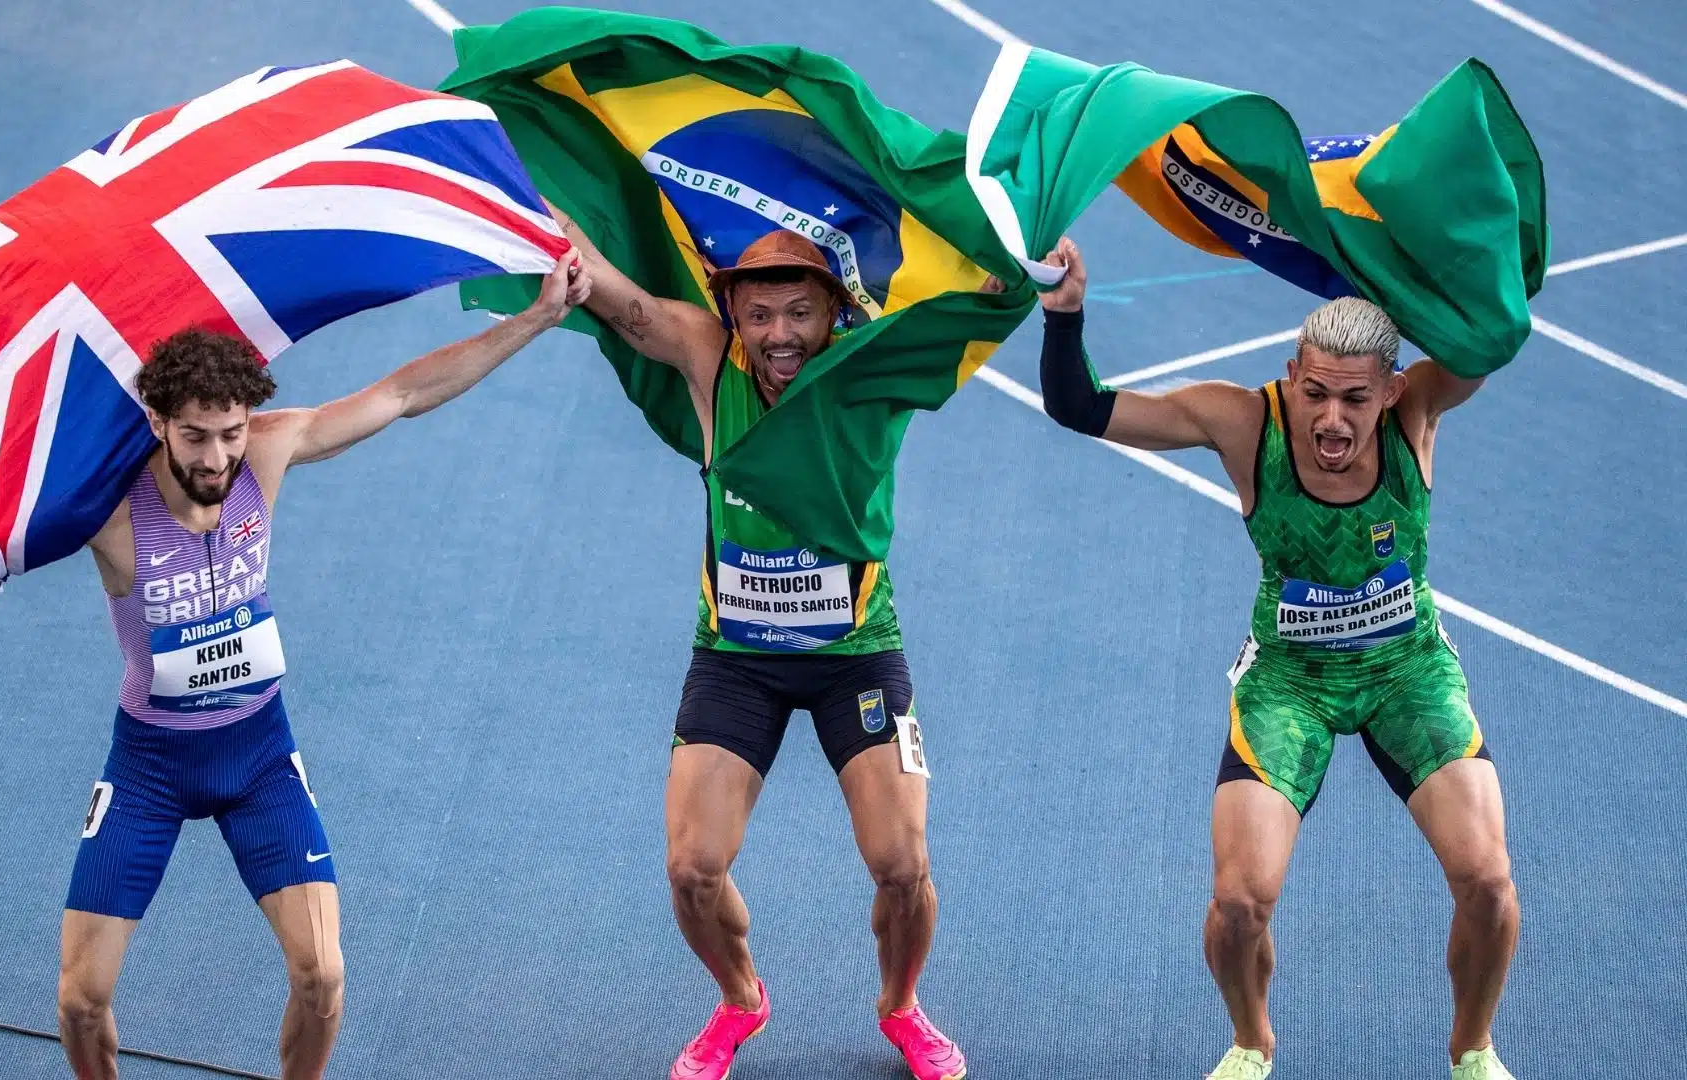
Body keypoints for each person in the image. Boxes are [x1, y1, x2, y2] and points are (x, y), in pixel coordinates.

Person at [0, 252, 589, 1080]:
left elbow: (402, 392)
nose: (217, 458)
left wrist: (534, 318)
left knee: (323, 975)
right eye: (196, 437)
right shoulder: (102, 511)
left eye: (232, 432)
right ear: (157, 424)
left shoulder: (268, 455)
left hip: (258, 757)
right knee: (80, 998)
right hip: (149, 768)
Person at [1035, 237, 1521, 1080]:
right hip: (1289, 683)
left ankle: (1472, 1050)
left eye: (1355, 401)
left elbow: (1491, 337)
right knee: (1239, 902)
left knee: (1487, 880)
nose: (1331, 421)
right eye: (1316, 393)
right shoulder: (1241, 420)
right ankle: (1252, 1041)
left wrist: (1442, 240)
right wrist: (1064, 313)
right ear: (1293, 374)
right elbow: (1081, 407)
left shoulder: (1419, 415)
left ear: (1393, 392)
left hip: (1407, 672)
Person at [551, 208, 966, 1080]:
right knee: (692, 867)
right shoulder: (710, 359)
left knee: (903, 863)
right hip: (736, 657)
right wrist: (546, 220)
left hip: (855, 653)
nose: (780, 335)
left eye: (800, 313)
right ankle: (740, 1000)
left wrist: (1023, 270)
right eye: (762, 314)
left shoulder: (866, 373)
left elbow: (968, 309)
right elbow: (623, 307)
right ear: (736, 314)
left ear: (833, 314)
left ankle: (901, 1006)